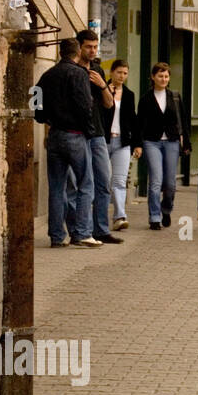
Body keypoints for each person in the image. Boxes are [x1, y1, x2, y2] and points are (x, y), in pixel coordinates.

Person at [35, 38, 101, 248]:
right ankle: (82, 233)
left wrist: (43, 118)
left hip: (54, 134)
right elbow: (85, 106)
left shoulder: (47, 75)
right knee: (85, 184)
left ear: (59, 51)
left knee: (56, 187)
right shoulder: (79, 74)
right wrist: (89, 131)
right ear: (77, 53)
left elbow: (34, 100)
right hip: (75, 134)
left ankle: (56, 236)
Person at [72, 29, 122, 244]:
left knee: (103, 182)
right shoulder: (71, 70)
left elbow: (109, 104)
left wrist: (102, 85)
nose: (93, 51)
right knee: (80, 185)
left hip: (98, 133)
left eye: (95, 47)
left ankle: (101, 230)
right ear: (79, 47)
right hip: (77, 134)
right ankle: (80, 231)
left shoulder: (98, 70)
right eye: (88, 47)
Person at [137, 61, 187, 230]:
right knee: (156, 180)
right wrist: (138, 144)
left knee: (170, 183)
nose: (163, 79)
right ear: (153, 77)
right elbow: (140, 124)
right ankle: (154, 216)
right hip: (152, 142)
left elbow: (183, 120)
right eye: (160, 76)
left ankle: (166, 209)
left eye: (166, 76)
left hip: (172, 142)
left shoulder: (175, 96)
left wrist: (185, 141)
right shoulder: (145, 99)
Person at [102, 59, 141, 231]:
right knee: (104, 180)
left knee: (119, 180)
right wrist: (106, 93)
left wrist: (137, 144)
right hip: (103, 141)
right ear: (111, 72)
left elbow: (133, 120)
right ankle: (100, 217)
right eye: (119, 72)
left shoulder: (129, 95)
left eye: (125, 73)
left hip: (122, 142)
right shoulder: (101, 90)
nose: (122, 76)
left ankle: (119, 216)